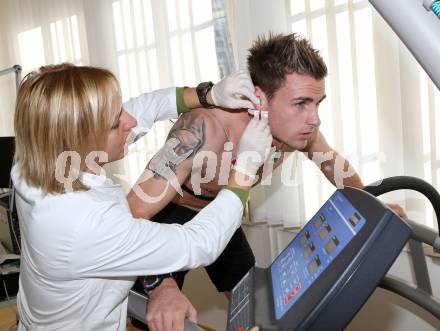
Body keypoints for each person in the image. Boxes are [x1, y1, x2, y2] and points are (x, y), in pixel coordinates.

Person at [127, 32, 407, 329]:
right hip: (166, 215)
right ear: (259, 98)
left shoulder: (299, 131)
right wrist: (161, 285)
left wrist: (369, 203)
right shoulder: (204, 129)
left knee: (258, 305)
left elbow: (332, 164)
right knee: (155, 317)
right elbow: (131, 217)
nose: (314, 119)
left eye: (317, 103)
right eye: (300, 103)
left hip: (223, 210)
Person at [12, 63, 273, 330]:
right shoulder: (86, 223)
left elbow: (144, 107)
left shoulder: (32, 162)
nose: (131, 121)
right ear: (80, 138)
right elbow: (197, 245)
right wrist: (244, 169)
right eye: (116, 123)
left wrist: (209, 95)